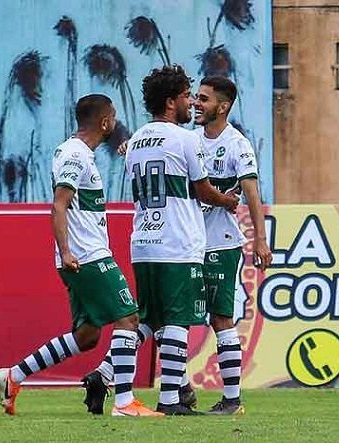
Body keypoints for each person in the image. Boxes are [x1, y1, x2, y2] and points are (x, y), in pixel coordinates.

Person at [0, 94, 162, 417]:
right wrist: (67, 251)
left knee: (86, 336)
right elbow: (59, 203)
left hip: (81, 255)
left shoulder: (79, 152)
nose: (114, 122)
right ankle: (125, 403)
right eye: (112, 116)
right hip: (87, 256)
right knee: (129, 318)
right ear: (103, 122)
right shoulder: (74, 154)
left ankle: (14, 375)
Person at [82, 65, 239, 416]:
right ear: (171, 102)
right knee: (178, 320)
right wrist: (229, 200)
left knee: (149, 320)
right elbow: (202, 190)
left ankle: (106, 373)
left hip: (143, 242)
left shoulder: (135, 139)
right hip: (177, 241)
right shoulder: (186, 140)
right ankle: (170, 399)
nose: (190, 104)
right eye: (186, 96)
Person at [193, 76, 272, 414]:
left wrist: (261, 240)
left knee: (221, 318)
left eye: (204, 99)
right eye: (196, 98)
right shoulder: (189, 139)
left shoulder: (237, 145)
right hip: (188, 243)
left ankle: (232, 399)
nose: (197, 104)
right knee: (172, 316)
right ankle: (177, 392)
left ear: (222, 107)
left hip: (222, 244)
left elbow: (252, 194)